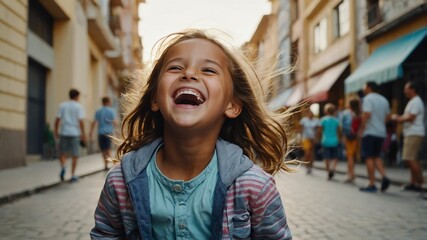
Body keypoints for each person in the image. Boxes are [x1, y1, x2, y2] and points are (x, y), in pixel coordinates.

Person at [90, 30, 292, 239]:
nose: (188, 74)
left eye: (208, 70)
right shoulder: (121, 182)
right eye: (175, 67)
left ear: (232, 105)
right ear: (155, 99)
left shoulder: (255, 187)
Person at [393, 81, 425, 192]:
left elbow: (411, 117)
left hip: (414, 132)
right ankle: (413, 182)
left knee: (409, 157)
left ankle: (421, 182)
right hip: (411, 132)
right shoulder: (413, 101)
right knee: (413, 158)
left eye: (406, 88)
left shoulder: (416, 101)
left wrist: (398, 119)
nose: (404, 91)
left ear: (412, 89)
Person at [359, 81, 391, 192]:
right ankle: (384, 176)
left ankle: (372, 183)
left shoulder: (368, 98)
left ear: (369, 87)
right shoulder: (384, 100)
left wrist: (361, 129)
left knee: (369, 157)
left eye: (364, 86)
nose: (363, 88)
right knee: (376, 156)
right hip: (381, 132)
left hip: (370, 132)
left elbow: (367, 114)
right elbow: (388, 117)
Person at [54, 89, 86, 182]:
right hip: (75, 133)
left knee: (62, 153)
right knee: (75, 154)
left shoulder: (62, 105)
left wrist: (56, 131)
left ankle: (64, 165)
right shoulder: (79, 107)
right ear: (76, 96)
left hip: (64, 132)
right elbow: (80, 121)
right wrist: (83, 134)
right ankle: (72, 175)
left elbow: (57, 119)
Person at [89, 97, 117, 170]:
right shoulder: (111, 111)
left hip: (101, 132)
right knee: (108, 149)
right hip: (109, 132)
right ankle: (111, 162)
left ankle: (105, 164)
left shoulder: (98, 111)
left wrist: (91, 132)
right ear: (108, 102)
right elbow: (115, 123)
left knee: (103, 150)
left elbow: (94, 122)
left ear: (102, 102)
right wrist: (116, 130)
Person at [341, 98, 362, 183]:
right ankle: (351, 173)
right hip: (356, 137)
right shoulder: (359, 113)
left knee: (349, 156)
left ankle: (351, 174)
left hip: (348, 136)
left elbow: (342, 125)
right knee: (353, 156)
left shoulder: (346, 113)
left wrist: (342, 136)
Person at [319, 103, 340, 180]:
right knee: (335, 157)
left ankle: (328, 172)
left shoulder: (323, 120)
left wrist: (318, 138)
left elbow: (320, 131)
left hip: (326, 141)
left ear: (326, 111)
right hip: (335, 140)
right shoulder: (336, 121)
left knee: (326, 157)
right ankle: (333, 169)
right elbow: (338, 132)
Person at [299, 108, 320, 174]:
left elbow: (319, 130)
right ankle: (307, 165)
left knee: (311, 153)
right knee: (307, 152)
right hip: (305, 138)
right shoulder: (304, 120)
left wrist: (316, 137)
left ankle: (311, 166)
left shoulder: (316, 121)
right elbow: (301, 130)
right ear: (307, 114)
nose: (310, 115)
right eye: (309, 113)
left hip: (312, 139)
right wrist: (300, 138)